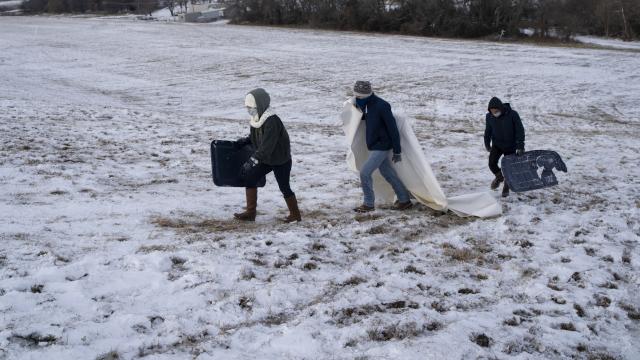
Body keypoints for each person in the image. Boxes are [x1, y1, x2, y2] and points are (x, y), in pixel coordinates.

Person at [233, 88, 301, 223]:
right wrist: (245, 141)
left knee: (284, 187)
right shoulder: (256, 118)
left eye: (251, 107)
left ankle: (295, 215)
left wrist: (252, 161)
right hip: (267, 158)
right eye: (247, 107)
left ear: (260, 104)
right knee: (251, 178)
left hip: (280, 160)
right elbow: (256, 137)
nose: (249, 109)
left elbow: (266, 146)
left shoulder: (272, 121)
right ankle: (250, 213)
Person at [351, 81, 412, 213]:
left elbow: (393, 129)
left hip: (382, 146)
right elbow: (367, 120)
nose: (357, 99)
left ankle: (368, 204)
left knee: (365, 172)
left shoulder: (382, 106)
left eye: (360, 97)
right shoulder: (365, 105)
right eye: (356, 96)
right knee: (388, 173)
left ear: (367, 95)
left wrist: (397, 151)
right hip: (374, 145)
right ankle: (404, 200)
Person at [484, 97, 526, 197]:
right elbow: (488, 131)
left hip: (511, 145)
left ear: (501, 108)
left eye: (496, 111)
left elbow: (520, 130)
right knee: (491, 163)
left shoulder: (512, 115)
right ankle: (499, 178)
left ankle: (506, 186)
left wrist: (520, 146)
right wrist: (487, 143)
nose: (494, 113)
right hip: (497, 144)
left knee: (508, 167)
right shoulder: (489, 116)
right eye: (492, 112)